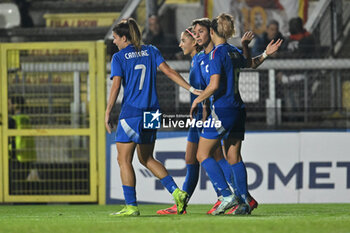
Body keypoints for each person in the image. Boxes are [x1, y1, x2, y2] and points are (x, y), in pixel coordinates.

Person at [105, 18, 200, 217]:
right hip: (153, 112)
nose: (114, 42)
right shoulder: (152, 50)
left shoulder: (119, 58)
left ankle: (131, 206)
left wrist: (107, 112)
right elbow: (169, 72)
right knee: (147, 158)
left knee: (123, 160)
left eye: (115, 38)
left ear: (124, 37)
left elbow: (115, 88)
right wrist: (191, 88)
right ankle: (177, 193)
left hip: (131, 113)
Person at [190, 13, 282, 215]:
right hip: (238, 109)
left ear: (212, 32)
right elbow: (251, 63)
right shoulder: (232, 51)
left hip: (222, 110)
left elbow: (213, 86)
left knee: (202, 154)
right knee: (233, 156)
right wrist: (265, 53)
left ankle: (226, 194)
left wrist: (198, 99)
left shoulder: (216, 54)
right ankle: (244, 202)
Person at [8, 95, 38, 194]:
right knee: (25, 187)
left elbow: (10, 139)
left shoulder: (12, 120)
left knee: (16, 188)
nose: (7, 107)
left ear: (15, 105)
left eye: (9, 104)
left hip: (17, 155)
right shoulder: (26, 118)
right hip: (28, 155)